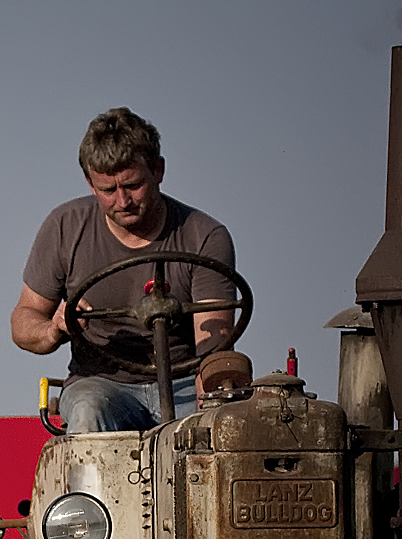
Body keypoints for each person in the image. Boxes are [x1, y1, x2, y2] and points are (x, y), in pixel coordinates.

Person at [12, 107, 239, 432]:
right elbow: (23, 321)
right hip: (100, 384)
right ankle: (86, 486)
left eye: (133, 185)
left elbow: (212, 344)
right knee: (90, 409)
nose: (123, 200)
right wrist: (55, 328)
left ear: (158, 170)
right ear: (90, 183)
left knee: (224, 428)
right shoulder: (65, 227)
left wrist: (209, 422)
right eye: (108, 190)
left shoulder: (203, 236)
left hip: (185, 383)